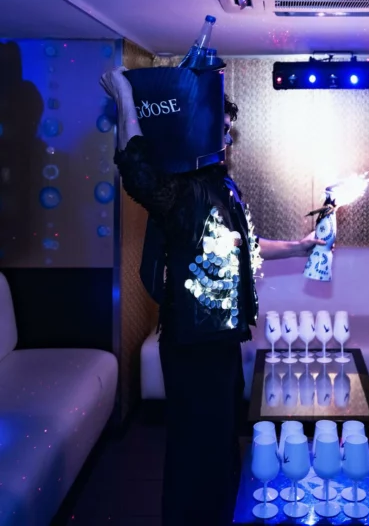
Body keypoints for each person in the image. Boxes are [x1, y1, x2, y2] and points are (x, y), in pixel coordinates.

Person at [101, 67, 322, 526]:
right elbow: (138, 173)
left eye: (228, 129)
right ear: (197, 128)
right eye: (220, 126)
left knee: (221, 446)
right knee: (194, 455)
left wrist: (300, 247)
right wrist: (124, 96)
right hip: (192, 345)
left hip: (221, 340)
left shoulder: (222, 185)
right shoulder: (182, 188)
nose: (227, 136)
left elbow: (246, 247)